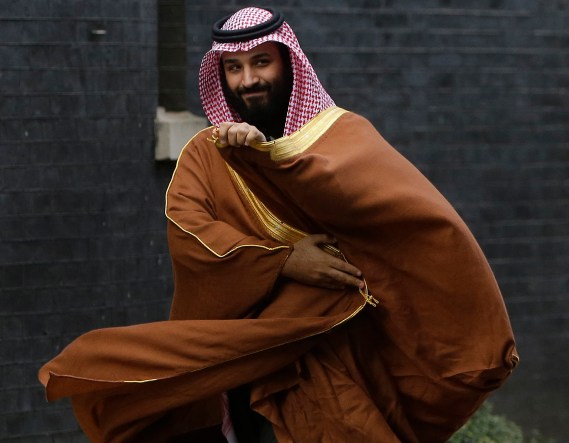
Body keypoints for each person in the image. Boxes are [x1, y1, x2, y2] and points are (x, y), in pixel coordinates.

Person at [39, 6, 518, 442]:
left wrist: (267, 162)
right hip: (245, 368)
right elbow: (188, 229)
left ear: (289, 63)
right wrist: (284, 260)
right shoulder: (207, 154)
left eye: (261, 63)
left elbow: (413, 226)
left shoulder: (346, 137)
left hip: (340, 356)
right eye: (233, 68)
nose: (248, 80)